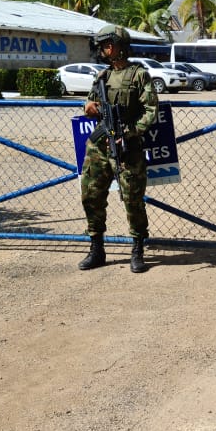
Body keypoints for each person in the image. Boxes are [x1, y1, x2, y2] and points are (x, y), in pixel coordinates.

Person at [78, 24, 158, 274]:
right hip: (98, 146)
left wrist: (129, 132)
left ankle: (137, 249)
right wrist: (89, 107)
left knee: (133, 200)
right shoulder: (102, 77)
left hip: (128, 147)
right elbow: (90, 102)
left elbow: (151, 111)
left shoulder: (138, 74)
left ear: (120, 46)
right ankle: (96, 247)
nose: (103, 49)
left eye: (107, 44)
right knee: (91, 195)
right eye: (102, 45)